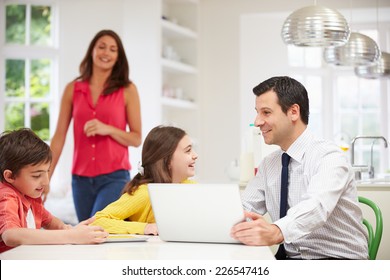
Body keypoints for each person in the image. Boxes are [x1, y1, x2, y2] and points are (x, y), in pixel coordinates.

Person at [231, 76, 368, 260]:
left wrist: (276, 231)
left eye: (266, 112)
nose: (257, 121)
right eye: (257, 112)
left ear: (293, 112)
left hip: (338, 262)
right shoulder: (269, 164)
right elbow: (244, 209)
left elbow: (317, 206)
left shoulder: (329, 157)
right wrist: (232, 222)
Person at [49, 29, 142, 222]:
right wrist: (45, 177)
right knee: (87, 236)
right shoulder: (72, 89)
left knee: (95, 227)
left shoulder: (127, 90)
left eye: (112, 49)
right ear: (92, 51)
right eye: (101, 47)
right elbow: (58, 137)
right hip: (80, 180)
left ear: (118, 57)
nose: (106, 53)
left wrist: (107, 128)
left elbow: (136, 138)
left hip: (115, 178)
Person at [0, 128, 108, 253]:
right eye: (36, 175)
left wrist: (70, 229)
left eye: (47, 171)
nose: (46, 181)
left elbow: (52, 222)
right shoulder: (6, 196)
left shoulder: (30, 196)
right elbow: (11, 235)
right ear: (10, 176)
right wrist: (72, 236)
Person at [91, 125, 198, 235]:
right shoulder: (145, 193)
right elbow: (97, 221)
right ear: (167, 159)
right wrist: (145, 228)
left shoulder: (191, 187)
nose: (195, 155)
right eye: (188, 151)